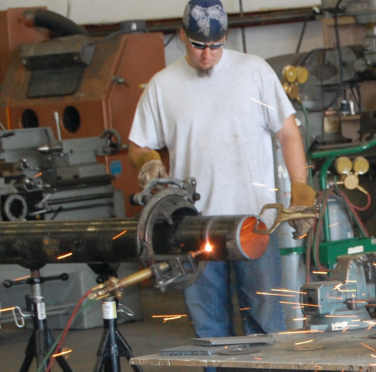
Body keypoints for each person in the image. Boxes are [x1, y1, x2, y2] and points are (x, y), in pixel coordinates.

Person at [128, 0, 315, 340]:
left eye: (216, 46)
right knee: (210, 332)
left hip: (254, 220)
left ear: (225, 38)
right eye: (199, 45)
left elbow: (288, 133)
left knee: (266, 325)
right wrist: (147, 160)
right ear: (183, 35)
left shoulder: (254, 71)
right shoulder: (162, 85)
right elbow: (138, 144)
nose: (207, 55)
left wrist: (299, 190)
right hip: (194, 227)